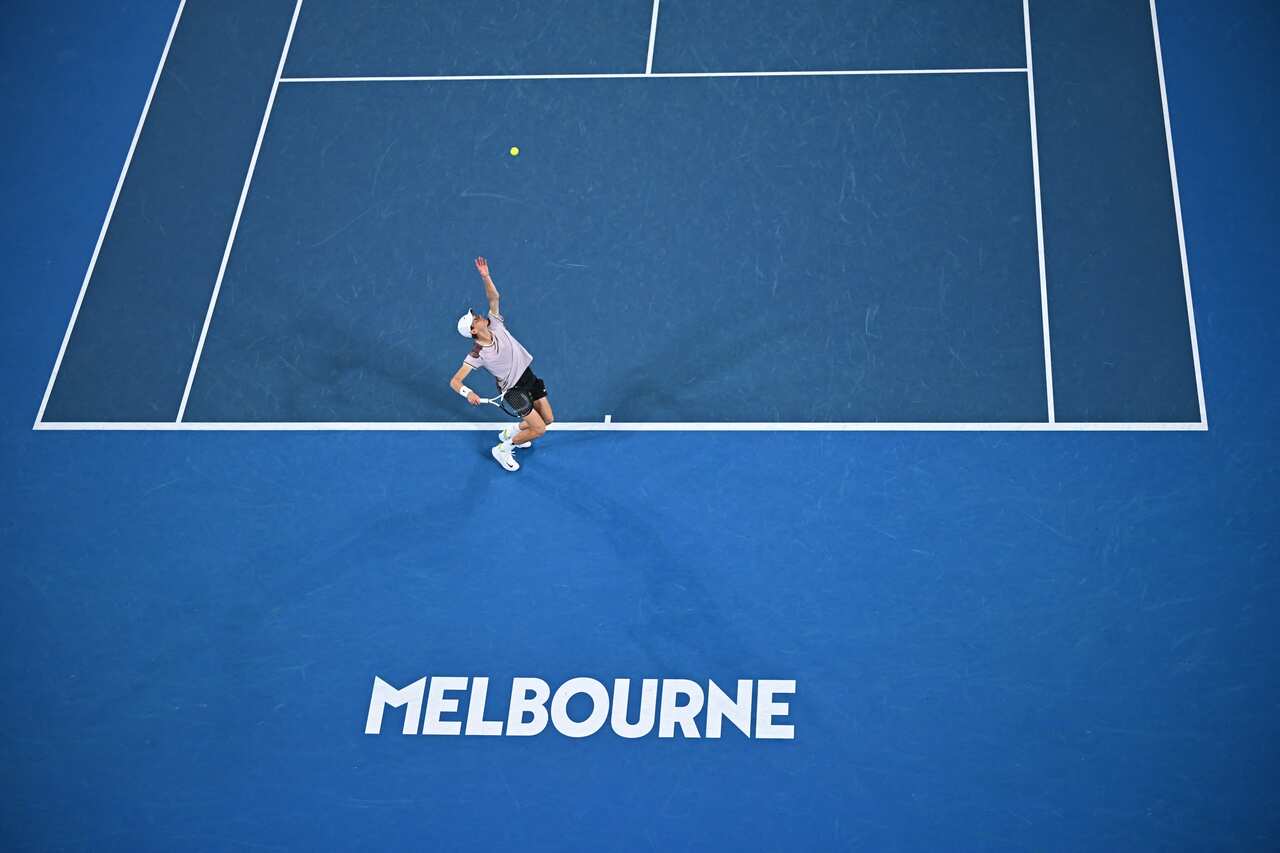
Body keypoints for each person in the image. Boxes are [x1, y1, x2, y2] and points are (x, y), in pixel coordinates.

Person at [448, 257, 554, 472]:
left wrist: (485, 276)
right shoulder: (478, 353)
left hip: (528, 376)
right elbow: (455, 381)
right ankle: (503, 448)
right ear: (473, 331)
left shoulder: (494, 323)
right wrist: (467, 393)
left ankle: (512, 431)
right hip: (514, 391)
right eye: (474, 319)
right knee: (539, 429)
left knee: (548, 419)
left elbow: (493, 297)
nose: (477, 316)